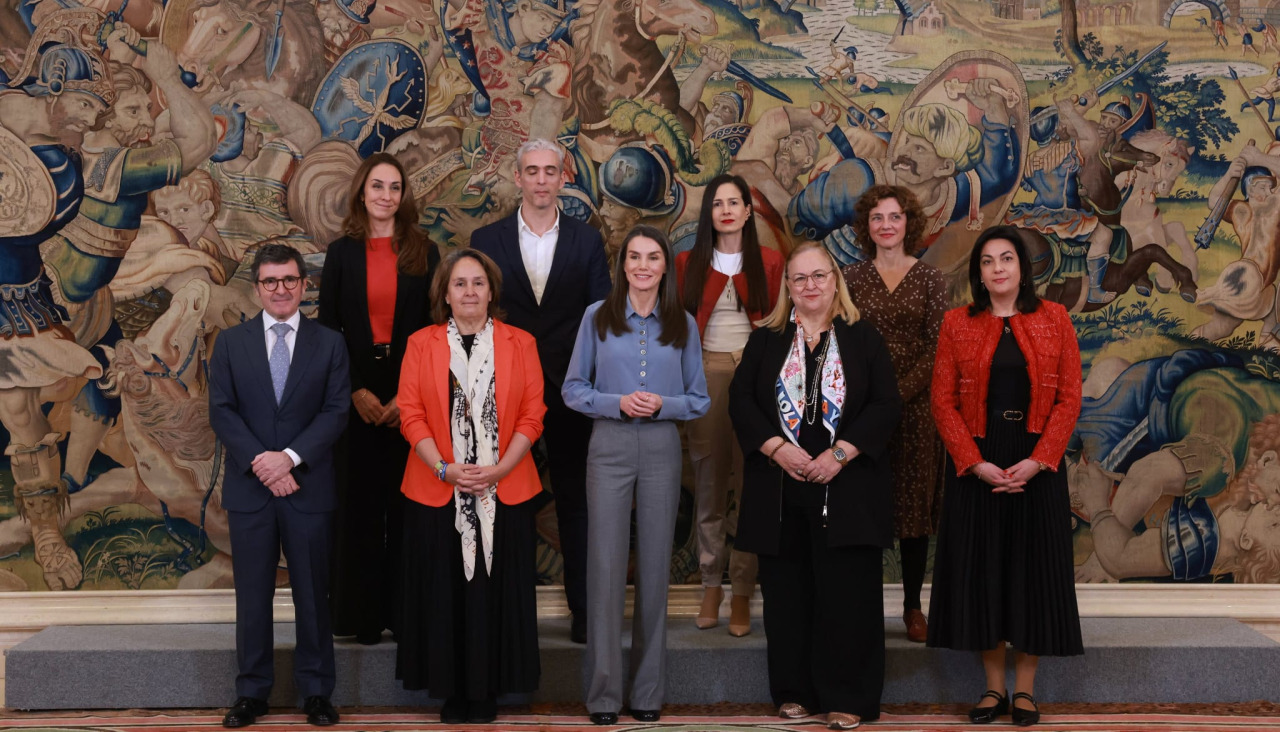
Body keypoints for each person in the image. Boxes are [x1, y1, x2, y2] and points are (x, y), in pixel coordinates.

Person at [728, 242, 901, 731]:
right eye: (799, 278)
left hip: (846, 489)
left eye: (819, 275)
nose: (810, 285)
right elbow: (740, 401)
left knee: (848, 597)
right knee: (788, 596)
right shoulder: (766, 340)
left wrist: (840, 454)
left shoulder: (863, 337)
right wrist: (776, 449)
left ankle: (848, 697)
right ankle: (794, 691)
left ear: (835, 280)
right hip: (780, 488)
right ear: (788, 286)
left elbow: (886, 405)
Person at [928, 225, 1084, 727]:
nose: (998, 268)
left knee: (1032, 574)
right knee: (985, 573)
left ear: (1022, 268)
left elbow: (1069, 399)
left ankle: (1026, 692)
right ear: (978, 272)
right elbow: (942, 402)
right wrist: (975, 463)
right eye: (988, 261)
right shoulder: (957, 323)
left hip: (1037, 460)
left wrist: (1039, 460)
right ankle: (993, 689)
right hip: (978, 459)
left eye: (1007, 259)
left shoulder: (1055, 318)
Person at [563, 225, 710, 725]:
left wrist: (663, 404)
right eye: (634, 257)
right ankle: (604, 696)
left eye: (652, 257)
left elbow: (699, 399)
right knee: (604, 569)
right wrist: (617, 403)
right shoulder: (596, 317)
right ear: (622, 264)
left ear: (666, 266)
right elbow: (573, 389)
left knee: (654, 568)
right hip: (608, 444)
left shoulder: (682, 322)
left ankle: (647, 692)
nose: (643, 266)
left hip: (663, 446)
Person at [394, 248, 546, 724]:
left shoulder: (521, 343)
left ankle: (488, 691)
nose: (469, 292)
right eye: (459, 284)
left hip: (506, 488)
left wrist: (499, 470)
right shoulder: (421, 344)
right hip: (437, 488)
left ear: (492, 291)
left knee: (493, 592)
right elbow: (410, 415)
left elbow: (533, 415)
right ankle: (452, 691)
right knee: (446, 595)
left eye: (478, 283)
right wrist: (444, 468)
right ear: (444, 293)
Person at [471, 137, 611, 643]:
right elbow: (477, 314)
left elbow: (601, 317)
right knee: (504, 501)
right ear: (518, 177)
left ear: (563, 176)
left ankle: (585, 613)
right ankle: (505, 616)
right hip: (504, 389)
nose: (541, 180)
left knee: (578, 502)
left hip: (571, 389)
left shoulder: (586, 240)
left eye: (550, 171)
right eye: (532, 171)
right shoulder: (485, 239)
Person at [207, 243, 350, 728]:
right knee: (252, 597)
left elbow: (336, 411)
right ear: (257, 288)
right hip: (251, 491)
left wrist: (288, 459)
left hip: (308, 488)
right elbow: (222, 411)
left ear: (304, 284)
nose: (281, 289)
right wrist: (263, 464)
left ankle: (317, 692)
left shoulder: (329, 343)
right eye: (271, 281)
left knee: (313, 594)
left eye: (290, 279)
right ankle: (251, 694)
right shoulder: (231, 343)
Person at [318, 152, 441, 646]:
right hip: (357, 386)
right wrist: (355, 390)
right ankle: (361, 618)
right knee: (359, 507)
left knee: (409, 509)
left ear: (403, 195)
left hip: (411, 387)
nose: (386, 196)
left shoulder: (425, 250)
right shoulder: (340, 253)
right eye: (377, 186)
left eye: (394, 187)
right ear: (362, 193)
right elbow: (328, 329)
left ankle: (409, 616)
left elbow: (436, 329)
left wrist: (406, 396)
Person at [674, 173, 783, 636]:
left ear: (747, 211)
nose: (725, 210)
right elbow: (677, 327)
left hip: (755, 374)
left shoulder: (771, 262)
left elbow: (780, 327)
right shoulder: (687, 262)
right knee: (709, 482)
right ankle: (710, 585)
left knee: (753, 482)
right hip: (707, 370)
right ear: (709, 213)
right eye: (717, 203)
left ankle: (741, 589)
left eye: (734, 202)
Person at [842, 184, 946, 644]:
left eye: (895, 217)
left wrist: (895, 397)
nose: (886, 225)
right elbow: (840, 342)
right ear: (867, 226)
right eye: (877, 217)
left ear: (909, 224)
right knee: (865, 505)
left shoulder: (930, 279)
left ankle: (912, 606)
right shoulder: (849, 278)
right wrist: (872, 402)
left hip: (916, 410)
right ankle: (862, 603)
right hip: (860, 410)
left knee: (913, 510)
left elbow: (937, 347)